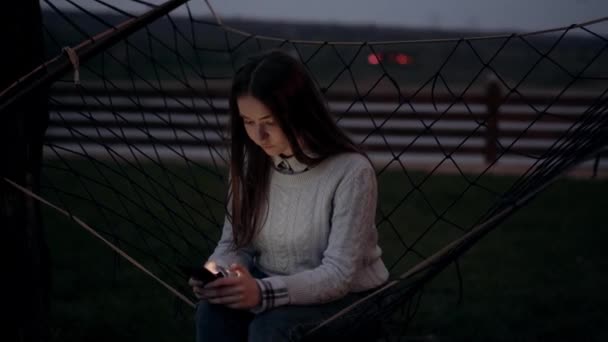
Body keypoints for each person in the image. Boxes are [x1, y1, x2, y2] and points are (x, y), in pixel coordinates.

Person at [189, 50, 389, 342]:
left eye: (269, 121)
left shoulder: (351, 172)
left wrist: (261, 292)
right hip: (266, 282)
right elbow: (236, 243)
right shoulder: (250, 163)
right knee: (213, 311)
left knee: (270, 328)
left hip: (347, 299)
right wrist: (217, 275)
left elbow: (338, 275)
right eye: (247, 121)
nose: (259, 135)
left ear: (298, 113)